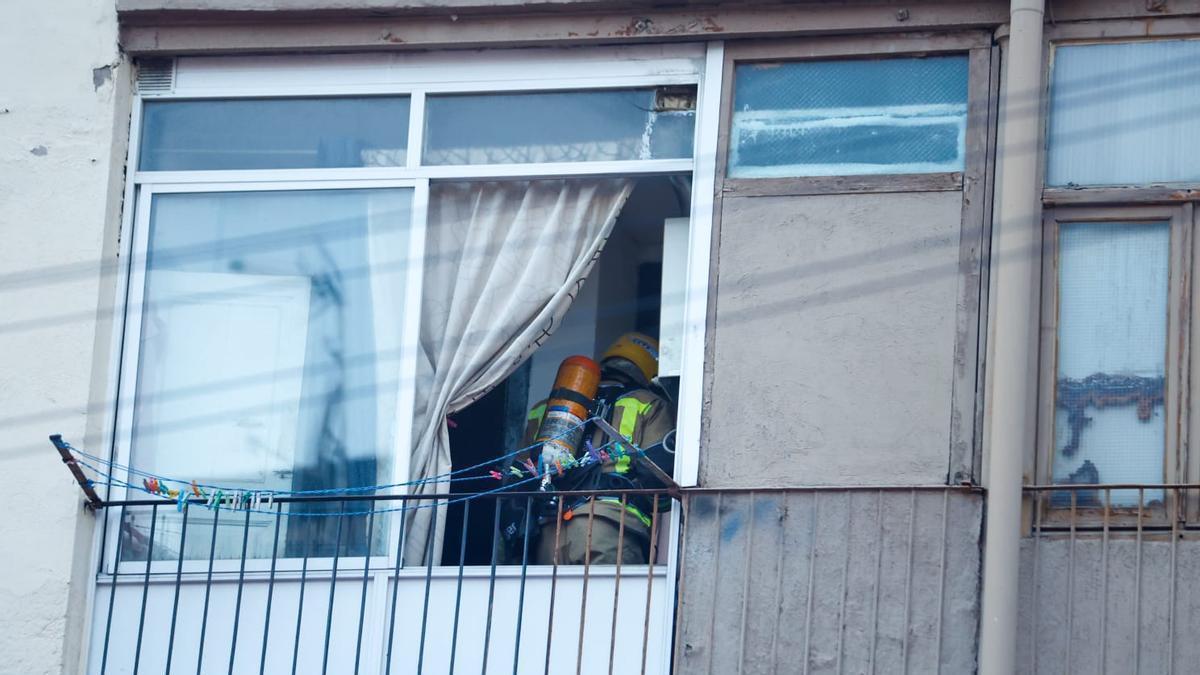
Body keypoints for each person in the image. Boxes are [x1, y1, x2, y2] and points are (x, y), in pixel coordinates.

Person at [501, 332, 675, 565]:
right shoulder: (649, 403)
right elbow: (659, 477)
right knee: (607, 601)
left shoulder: (546, 409)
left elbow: (518, 474)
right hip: (608, 529)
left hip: (547, 534)